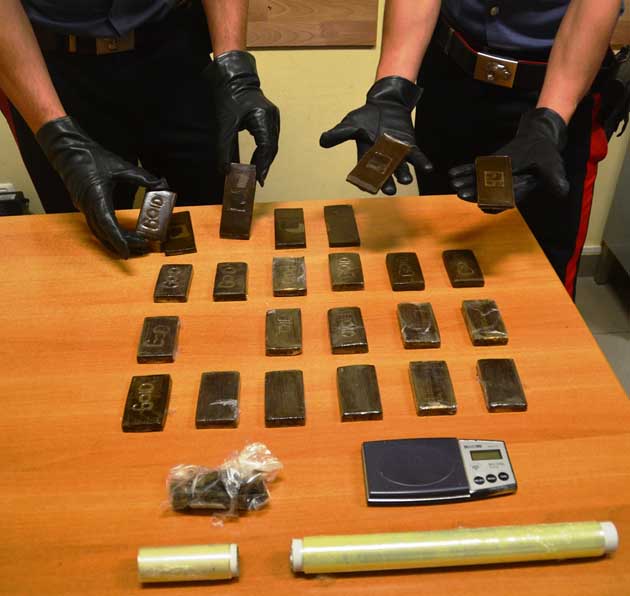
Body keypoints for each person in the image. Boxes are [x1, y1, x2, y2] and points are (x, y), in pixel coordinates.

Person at [321, 0, 623, 297]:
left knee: (541, 278)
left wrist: (549, 122)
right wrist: (392, 90)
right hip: (451, 74)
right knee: (441, 245)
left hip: (557, 89)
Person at [0, 0, 280, 258]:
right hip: (47, 70)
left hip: (174, 53)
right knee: (92, 249)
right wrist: (61, 141)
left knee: (215, 235)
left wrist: (236, 73)